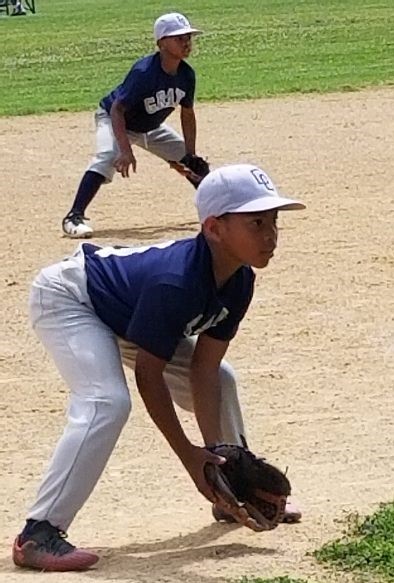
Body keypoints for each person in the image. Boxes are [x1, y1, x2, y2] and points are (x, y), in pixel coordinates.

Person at [13, 164, 305, 571]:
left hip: (127, 310)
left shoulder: (239, 280)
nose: (270, 235)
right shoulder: (176, 282)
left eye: (273, 222)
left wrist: (217, 464)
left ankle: (232, 493)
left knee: (223, 377)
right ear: (214, 229)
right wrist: (188, 455)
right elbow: (149, 378)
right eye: (256, 222)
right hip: (70, 299)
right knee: (107, 402)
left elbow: (204, 369)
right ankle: (38, 533)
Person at [62, 12, 203, 239]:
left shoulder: (187, 75)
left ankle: (218, 212)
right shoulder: (144, 72)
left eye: (188, 37)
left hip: (149, 127)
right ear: (161, 43)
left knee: (196, 165)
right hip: (115, 119)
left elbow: (187, 114)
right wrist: (125, 150)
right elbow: (117, 109)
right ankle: (73, 217)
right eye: (179, 38)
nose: (186, 43)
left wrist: (187, 154)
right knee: (108, 155)